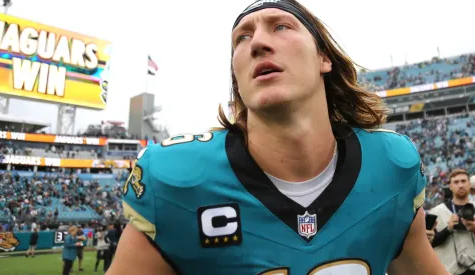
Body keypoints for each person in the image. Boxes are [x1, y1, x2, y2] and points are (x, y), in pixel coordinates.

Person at [109, 0, 448, 274]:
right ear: (237, 78)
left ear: (323, 57)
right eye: (242, 38)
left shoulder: (390, 166)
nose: (257, 42)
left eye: (281, 26)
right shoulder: (176, 180)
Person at [429, 169, 475, 274]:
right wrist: (448, 229)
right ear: (450, 186)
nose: (460, 185)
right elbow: (430, 243)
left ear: (469, 184)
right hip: (451, 270)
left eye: (463, 181)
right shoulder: (436, 212)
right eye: (456, 182)